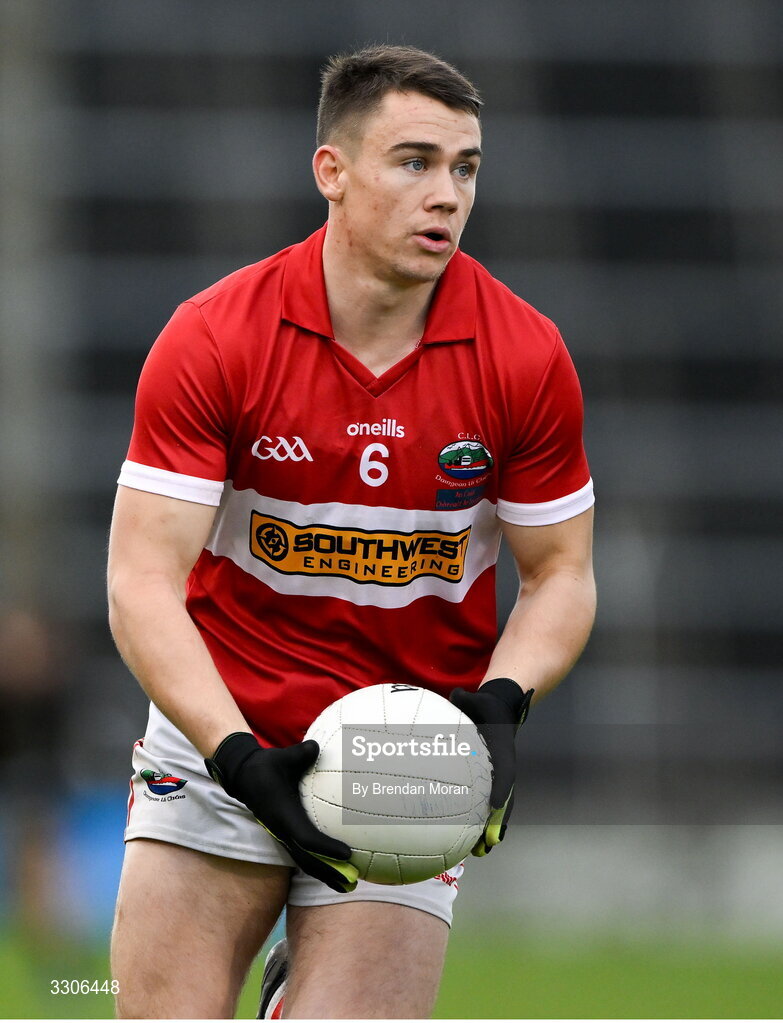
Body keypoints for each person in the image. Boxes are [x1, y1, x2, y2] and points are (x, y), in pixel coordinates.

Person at [107, 44, 596, 1019]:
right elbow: (140, 581)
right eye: (414, 162)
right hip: (223, 739)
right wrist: (237, 754)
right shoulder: (216, 337)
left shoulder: (524, 354)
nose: (447, 194)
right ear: (331, 171)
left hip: (403, 760)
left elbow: (562, 573)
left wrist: (502, 702)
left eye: (465, 168)